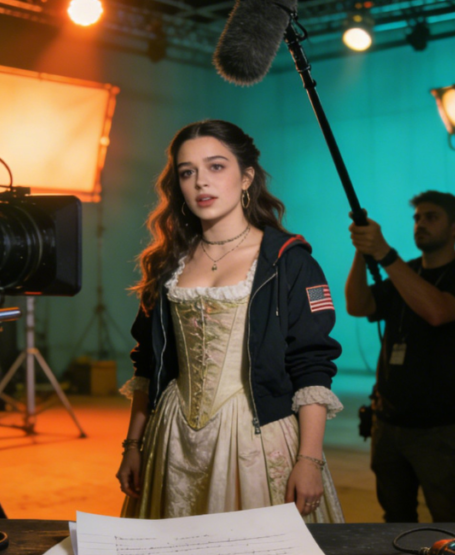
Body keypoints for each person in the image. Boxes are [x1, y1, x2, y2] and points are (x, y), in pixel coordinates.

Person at [116, 119, 345, 521]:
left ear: (247, 177)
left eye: (216, 166)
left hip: (254, 435)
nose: (201, 182)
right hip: (172, 436)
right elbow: (148, 365)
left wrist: (310, 459)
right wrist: (133, 445)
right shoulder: (168, 264)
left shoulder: (288, 261)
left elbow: (311, 365)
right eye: (188, 172)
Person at [345, 191, 455, 523]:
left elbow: (437, 311)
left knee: (448, 518)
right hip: (388, 422)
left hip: (438, 427)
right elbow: (357, 305)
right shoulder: (405, 271)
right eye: (417, 218)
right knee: (395, 516)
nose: (420, 224)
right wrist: (363, 254)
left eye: (431, 217)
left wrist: (385, 254)